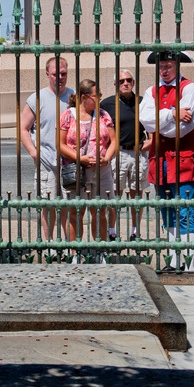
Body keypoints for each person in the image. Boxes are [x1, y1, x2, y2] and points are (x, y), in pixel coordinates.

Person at [139, 51, 194, 271]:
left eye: (168, 65)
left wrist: (162, 121)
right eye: (162, 66)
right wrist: (172, 114)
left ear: (177, 66)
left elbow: (184, 128)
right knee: (167, 209)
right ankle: (174, 260)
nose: (164, 70)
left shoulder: (190, 88)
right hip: (161, 161)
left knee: (185, 209)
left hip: (184, 159)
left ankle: (189, 260)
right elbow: (145, 121)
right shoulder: (151, 91)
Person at [21, 57, 74, 255]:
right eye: (55, 74)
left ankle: (70, 246)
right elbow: (24, 129)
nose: (60, 78)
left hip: (69, 161)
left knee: (69, 205)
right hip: (46, 160)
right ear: (47, 74)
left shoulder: (73, 97)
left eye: (63, 74)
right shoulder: (37, 98)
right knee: (47, 203)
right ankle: (50, 243)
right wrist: (34, 153)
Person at [60, 79, 116, 263]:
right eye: (96, 95)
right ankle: (74, 252)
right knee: (76, 212)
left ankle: (100, 250)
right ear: (84, 97)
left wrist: (106, 157)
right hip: (78, 170)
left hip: (102, 170)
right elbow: (60, 145)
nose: (100, 98)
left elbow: (114, 141)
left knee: (99, 210)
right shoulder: (68, 115)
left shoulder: (104, 115)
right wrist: (80, 158)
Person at [101, 70, 152, 241]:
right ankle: (112, 231)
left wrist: (149, 143)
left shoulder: (143, 102)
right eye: (121, 80)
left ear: (134, 82)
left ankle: (135, 231)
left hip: (138, 153)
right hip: (118, 153)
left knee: (136, 194)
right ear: (116, 84)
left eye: (128, 80)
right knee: (115, 193)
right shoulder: (107, 104)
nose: (125, 83)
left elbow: (151, 126)